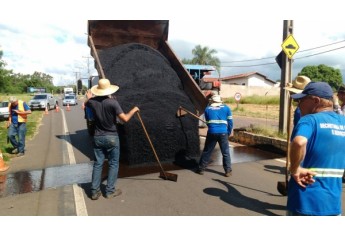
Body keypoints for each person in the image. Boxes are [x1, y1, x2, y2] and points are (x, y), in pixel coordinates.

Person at [287, 82, 345, 216]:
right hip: (333, 204)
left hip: (305, 201)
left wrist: (295, 169)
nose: (299, 104)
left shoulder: (309, 120)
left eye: (301, 100)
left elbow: (299, 142)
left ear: (315, 101)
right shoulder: (343, 122)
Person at [85, 78, 139, 200]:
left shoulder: (92, 103)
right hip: (112, 137)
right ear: (109, 89)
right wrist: (134, 110)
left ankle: (94, 192)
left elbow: (87, 102)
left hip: (98, 137)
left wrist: (89, 96)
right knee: (113, 164)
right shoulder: (113, 103)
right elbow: (124, 119)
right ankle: (109, 191)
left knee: (98, 164)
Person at [196, 94, 233, 177]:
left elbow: (208, 122)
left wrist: (212, 128)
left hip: (212, 132)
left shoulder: (208, 109)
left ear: (212, 101)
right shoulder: (226, 108)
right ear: (220, 101)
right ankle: (228, 171)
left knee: (207, 151)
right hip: (223, 133)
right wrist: (228, 132)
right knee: (225, 152)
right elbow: (230, 122)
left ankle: (201, 169)